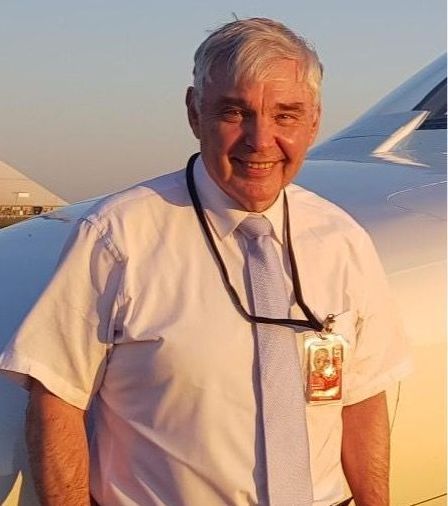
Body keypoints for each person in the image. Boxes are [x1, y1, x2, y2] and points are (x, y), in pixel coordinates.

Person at [0, 17, 411, 506]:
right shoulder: (118, 237)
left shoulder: (341, 240)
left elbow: (362, 399)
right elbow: (56, 398)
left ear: (314, 120)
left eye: (285, 115)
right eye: (236, 112)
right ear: (195, 113)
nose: (260, 141)